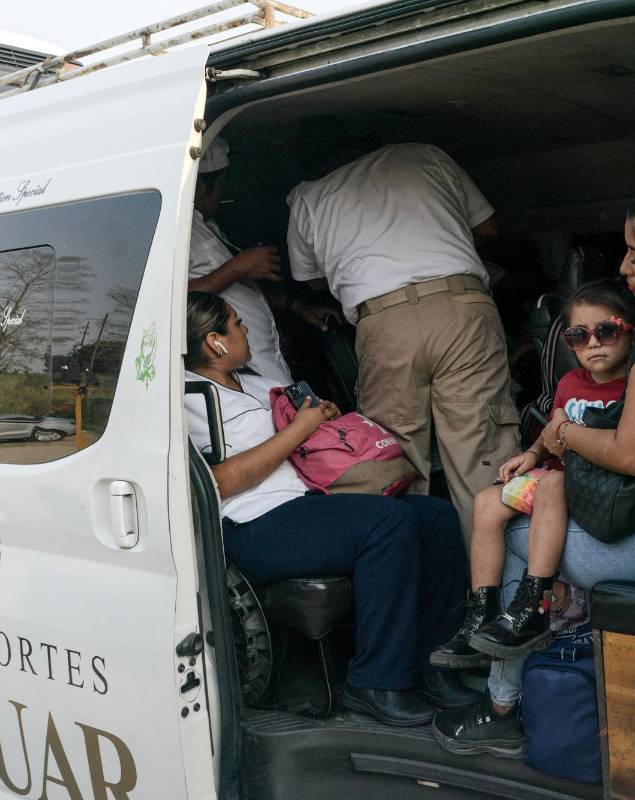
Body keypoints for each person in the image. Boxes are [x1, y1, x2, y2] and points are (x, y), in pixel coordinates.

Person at [431, 179, 635, 759]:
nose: (624, 268)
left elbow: (634, 454)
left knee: (516, 536)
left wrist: (560, 433)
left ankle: (501, 706)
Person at [182, 291, 479, 727]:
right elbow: (219, 482)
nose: (245, 329)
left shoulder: (259, 384)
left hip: (306, 501)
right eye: (236, 324)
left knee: (435, 517)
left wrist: (321, 419)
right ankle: (375, 681)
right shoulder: (188, 397)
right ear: (214, 342)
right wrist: (300, 430)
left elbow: (302, 433)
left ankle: (434, 665)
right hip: (251, 522)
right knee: (387, 523)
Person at [286, 141, 517, 543]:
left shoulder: (308, 196)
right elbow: (488, 228)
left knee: (394, 457)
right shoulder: (428, 155)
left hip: (383, 321)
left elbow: (313, 278)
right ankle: (498, 576)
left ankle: (420, 574)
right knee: (482, 449)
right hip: (461, 306)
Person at [429, 280, 635, 668]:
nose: (593, 343)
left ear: (631, 332)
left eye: (606, 331)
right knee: (487, 501)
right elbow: (550, 434)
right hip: (556, 483)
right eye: (579, 336)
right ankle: (481, 614)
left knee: (553, 483)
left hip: (597, 488)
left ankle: (534, 604)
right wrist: (530, 454)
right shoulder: (570, 383)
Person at [189, 137, 341, 387]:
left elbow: (233, 286)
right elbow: (176, 300)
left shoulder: (209, 226)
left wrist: (296, 306)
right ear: (199, 187)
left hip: (260, 353)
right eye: (220, 185)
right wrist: (240, 265)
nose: (223, 193)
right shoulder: (181, 232)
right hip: (237, 364)